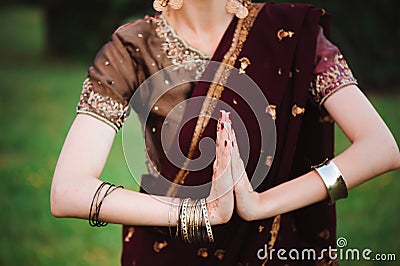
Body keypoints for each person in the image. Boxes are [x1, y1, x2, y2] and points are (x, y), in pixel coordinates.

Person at [50, 0, 400, 265]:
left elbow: (380, 147)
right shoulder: (132, 47)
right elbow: (67, 191)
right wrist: (199, 213)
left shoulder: (289, 33)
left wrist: (261, 204)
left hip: (271, 250)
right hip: (167, 253)